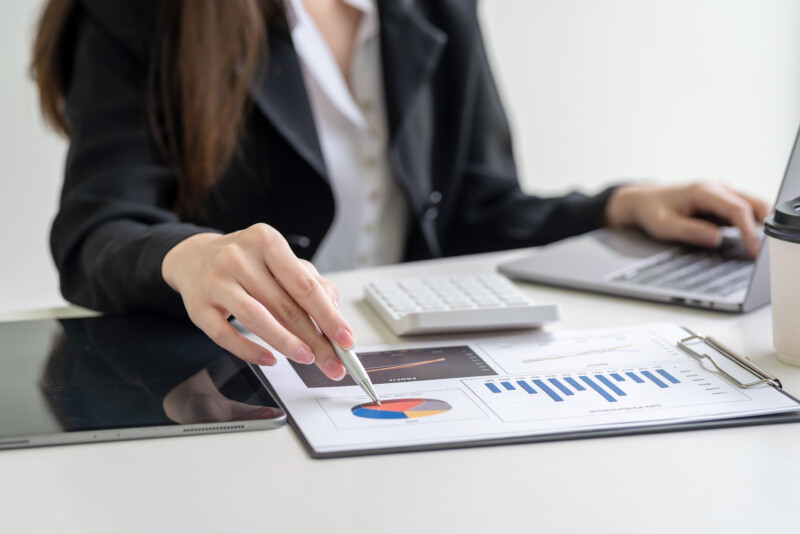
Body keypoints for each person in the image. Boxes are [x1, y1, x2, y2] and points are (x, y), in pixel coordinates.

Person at [32, 0, 770, 382]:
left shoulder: (433, 8)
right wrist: (189, 256)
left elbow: (476, 209)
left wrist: (615, 206)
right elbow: (98, 228)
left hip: (409, 365)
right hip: (240, 381)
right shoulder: (144, 12)